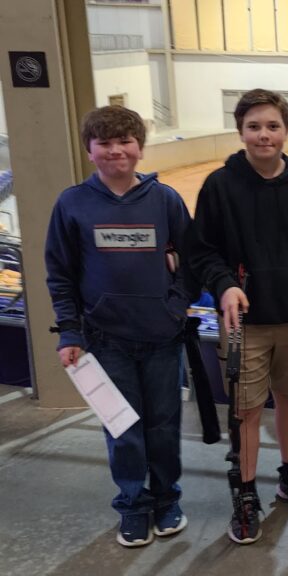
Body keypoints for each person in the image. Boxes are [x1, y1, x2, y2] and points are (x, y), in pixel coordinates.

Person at [189, 89, 288, 544]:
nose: (263, 135)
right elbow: (202, 251)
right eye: (254, 126)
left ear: (286, 131)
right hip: (245, 327)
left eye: (272, 126)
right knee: (247, 411)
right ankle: (247, 493)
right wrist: (224, 284)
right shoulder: (219, 186)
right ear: (240, 131)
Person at [45, 105, 196, 547]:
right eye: (105, 143)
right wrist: (70, 332)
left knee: (164, 428)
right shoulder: (71, 204)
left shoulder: (165, 200)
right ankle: (133, 504)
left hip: (163, 339)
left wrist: (175, 307)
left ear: (140, 148)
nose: (116, 151)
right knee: (122, 429)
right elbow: (60, 274)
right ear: (89, 150)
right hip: (106, 341)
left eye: (125, 141)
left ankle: (167, 498)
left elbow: (192, 262)